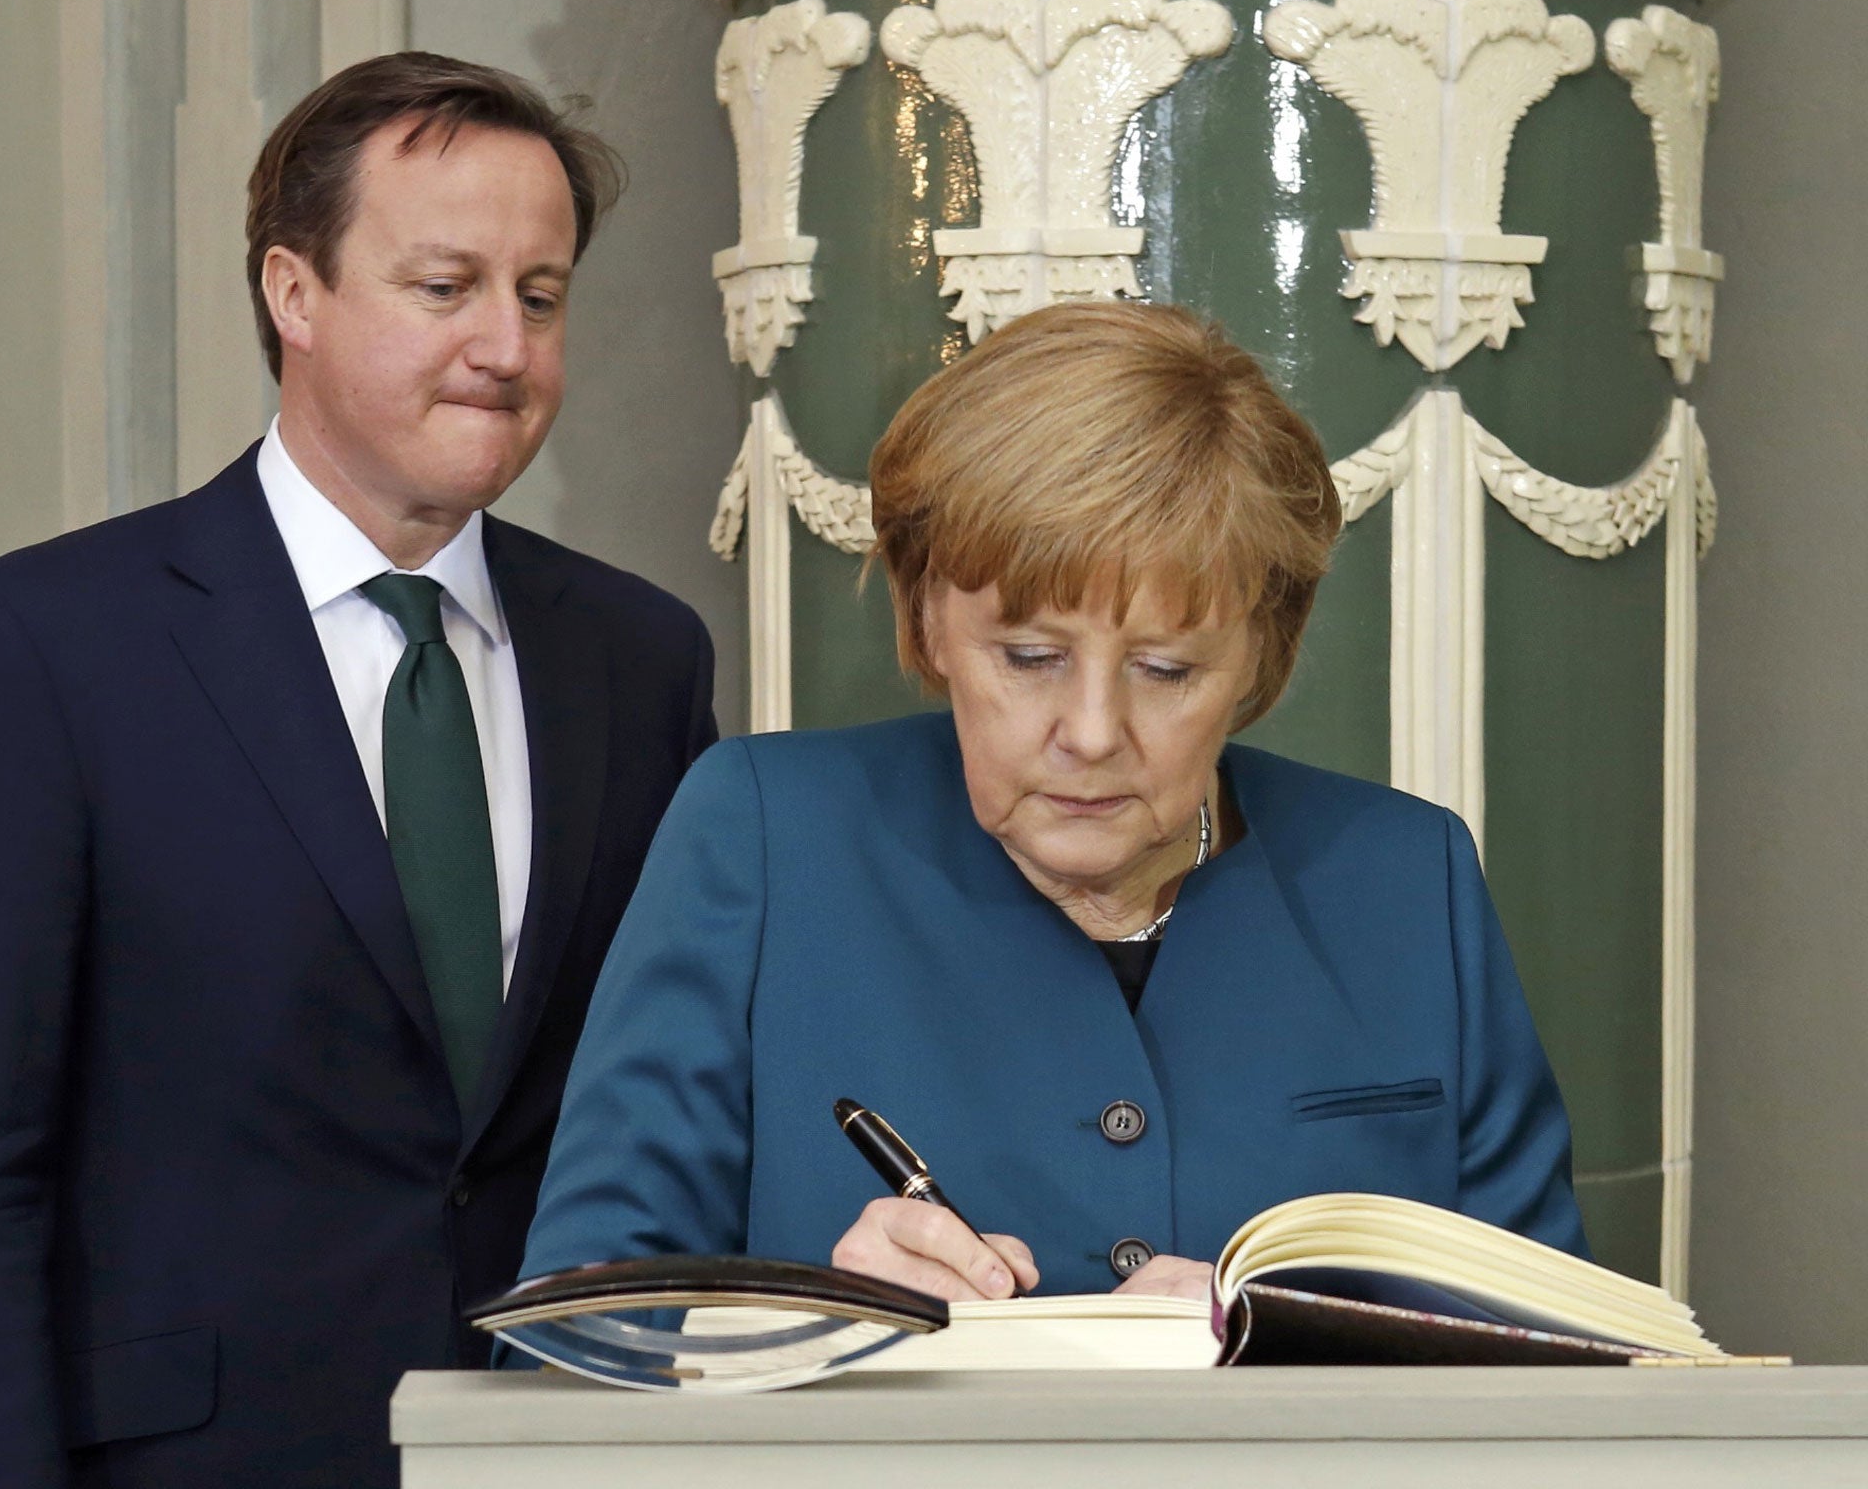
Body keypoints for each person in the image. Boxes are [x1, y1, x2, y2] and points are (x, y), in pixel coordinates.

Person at [0, 53, 715, 1487]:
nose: (507, 345)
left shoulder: (641, 657)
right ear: (293, 293)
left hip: (566, 1451)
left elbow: (674, 1109)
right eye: (446, 288)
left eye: (542, 295)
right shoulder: (43, 647)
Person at [519, 300, 1586, 1308]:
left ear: (1263, 654)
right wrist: (818, 1326)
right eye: (1028, 657)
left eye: (1165, 670)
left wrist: (1304, 1349)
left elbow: (1557, 1365)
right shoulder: (759, 838)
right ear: (926, 620)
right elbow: (570, 1346)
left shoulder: (1407, 878)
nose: (1088, 731)